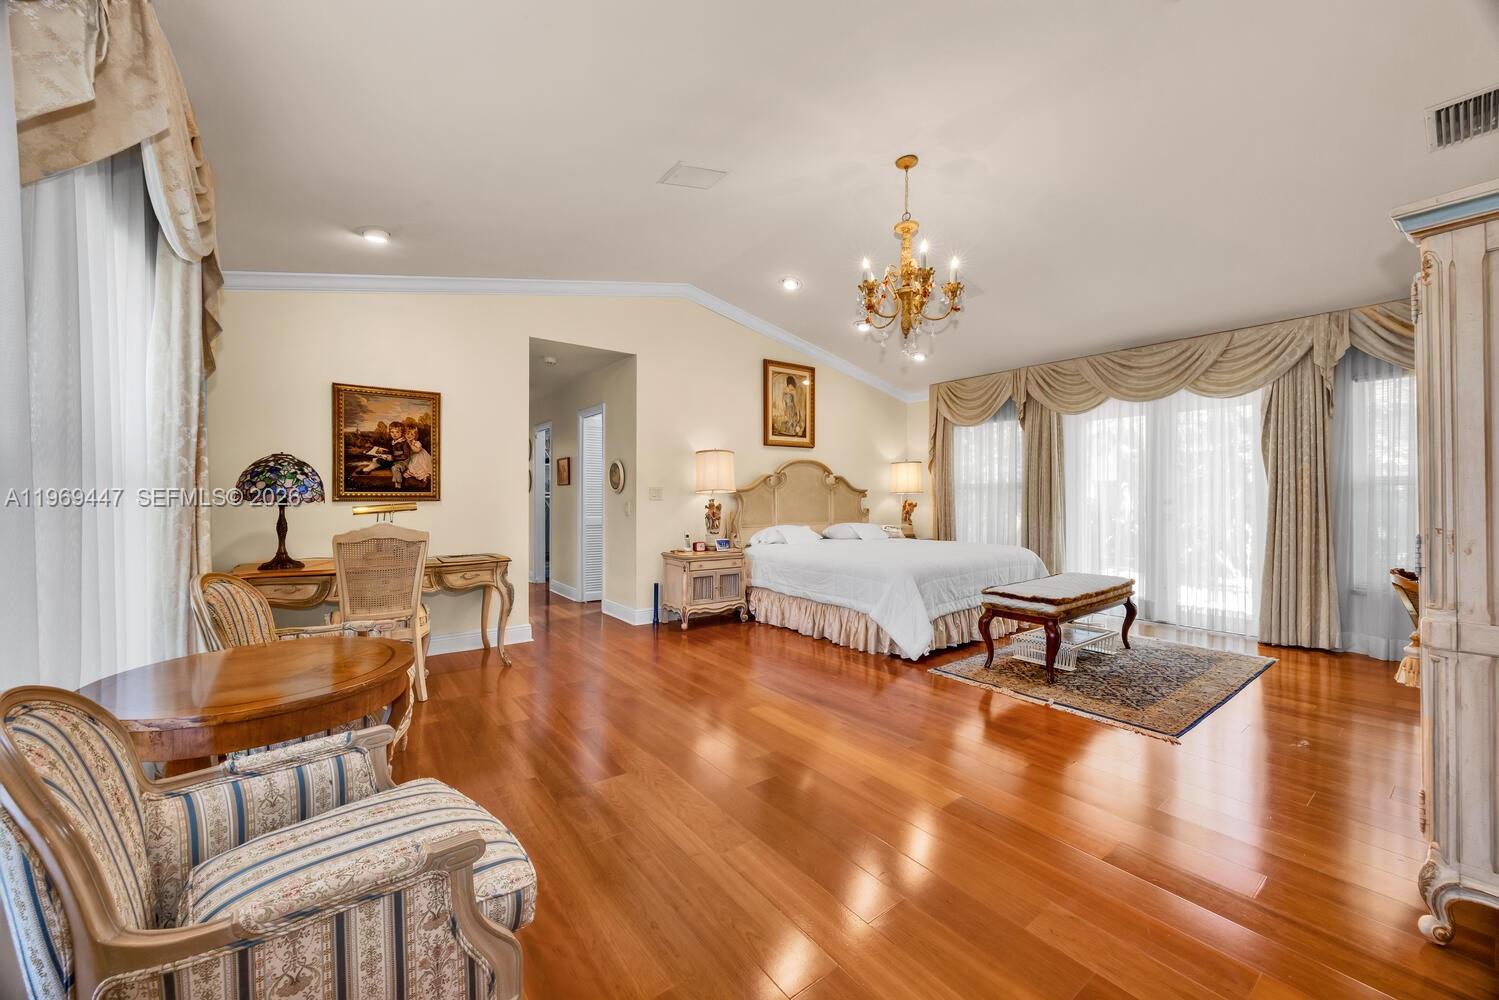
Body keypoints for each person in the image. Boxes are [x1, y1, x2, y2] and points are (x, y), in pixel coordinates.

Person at [387, 420, 412, 488]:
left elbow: (406, 455)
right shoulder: (392, 442)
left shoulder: (404, 443)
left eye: (397, 432)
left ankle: (398, 484)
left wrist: (393, 458)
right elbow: (391, 452)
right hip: (394, 460)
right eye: (392, 432)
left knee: (395, 468)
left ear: (402, 433)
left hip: (403, 461)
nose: (394, 434)